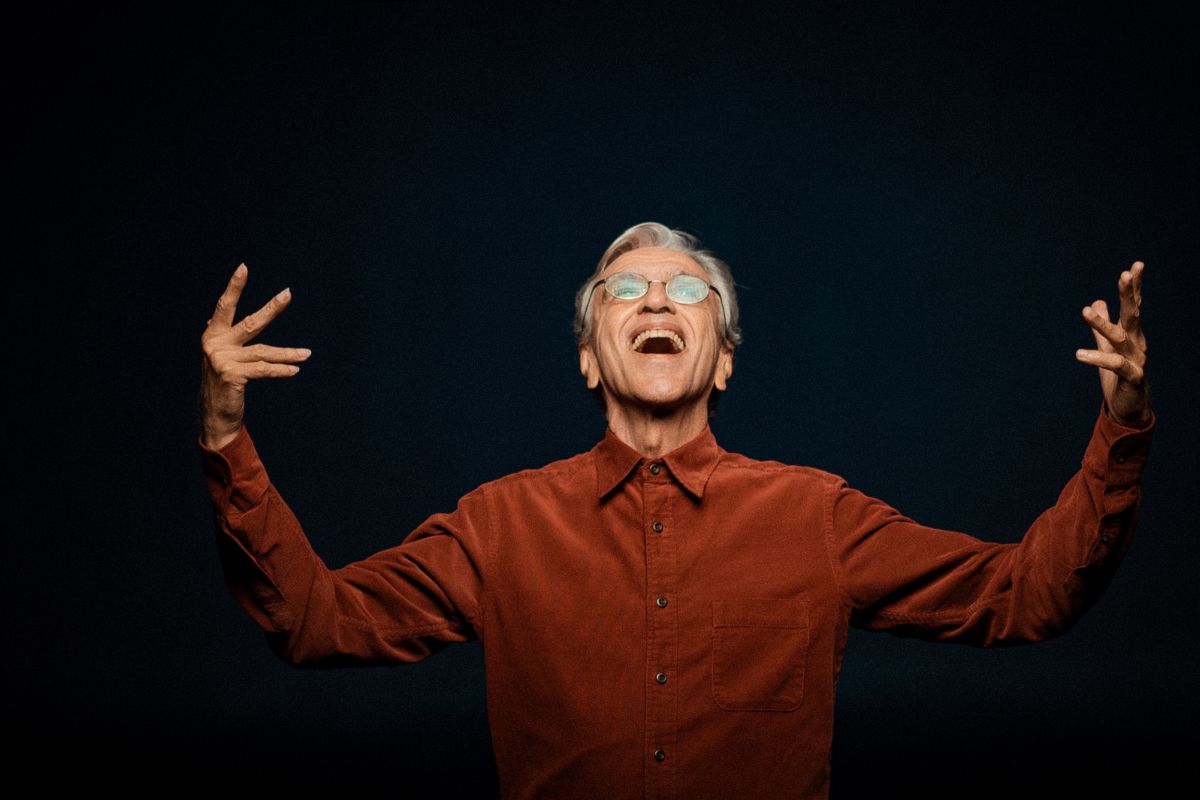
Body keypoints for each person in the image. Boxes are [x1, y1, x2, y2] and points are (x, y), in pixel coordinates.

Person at [199, 222, 1153, 799]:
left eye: (688, 290)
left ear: (723, 358)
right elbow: (315, 622)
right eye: (625, 289)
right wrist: (226, 434)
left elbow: (1027, 595)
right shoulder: (499, 526)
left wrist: (1121, 425)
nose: (657, 298)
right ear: (589, 356)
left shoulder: (817, 516)